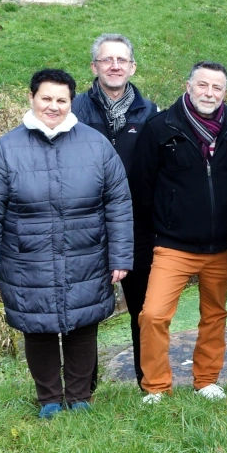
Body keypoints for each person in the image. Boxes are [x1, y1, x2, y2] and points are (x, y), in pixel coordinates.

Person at [0, 69, 133, 417]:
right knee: (38, 328)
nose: (53, 106)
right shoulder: (6, 149)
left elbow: (118, 203)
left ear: (71, 102)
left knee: (82, 326)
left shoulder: (95, 144)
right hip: (27, 260)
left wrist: (120, 256)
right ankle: (49, 400)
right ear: (31, 98)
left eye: (61, 100)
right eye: (46, 98)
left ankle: (79, 398)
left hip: (86, 255)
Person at [130, 61, 227, 404]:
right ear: (188, 86)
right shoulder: (159, 126)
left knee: (214, 315)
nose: (209, 93)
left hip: (221, 246)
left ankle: (206, 379)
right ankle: (156, 386)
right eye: (203, 85)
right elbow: (142, 186)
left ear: (225, 92)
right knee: (153, 314)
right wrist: (159, 228)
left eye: (217, 88)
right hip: (173, 245)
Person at [71, 33, 159, 385]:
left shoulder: (150, 113)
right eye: (107, 60)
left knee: (142, 307)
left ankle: (148, 380)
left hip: (138, 226)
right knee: (85, 309)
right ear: (94, 67)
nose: (115, 65)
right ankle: (84, 384)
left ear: (132, 67)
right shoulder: (75, 110)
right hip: (85, 225)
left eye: (122, 60)